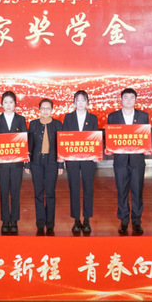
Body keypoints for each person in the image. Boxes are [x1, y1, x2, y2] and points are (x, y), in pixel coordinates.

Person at [107, 88, 149, 236]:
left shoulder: (143, 116)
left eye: (132, 97)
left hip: (137, 161)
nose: (129, 100)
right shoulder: (113, 117)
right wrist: (109, 148)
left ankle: (137, 221)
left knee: (137, 192)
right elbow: (110, 137)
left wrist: (147, 147)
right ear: (121, 100)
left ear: (136, 100)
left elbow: (146, 137)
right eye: (126, 97)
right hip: (120, 161)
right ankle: (124, 221)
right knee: (122, 191)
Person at [61, 90, 99, 235]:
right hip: (72, 159)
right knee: (74, 188)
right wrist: (63, 156)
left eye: (83, 100)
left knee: (88, 188)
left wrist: (96, 154)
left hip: (89, 159)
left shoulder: (93, 118)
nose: (81, 103)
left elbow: (95, 138)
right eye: (78, 100)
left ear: (87, 102)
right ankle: (76, 220)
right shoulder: (68, 117)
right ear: (74, 102)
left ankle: (87, 220)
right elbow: (65, 137)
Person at [0, 91, 27, 235]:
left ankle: (14, 220)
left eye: (11, 102)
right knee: (4, 191)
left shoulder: (20, 119)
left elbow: (24, 140)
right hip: (2, 164)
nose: (8, 105)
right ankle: (5, 220)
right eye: (5, 102)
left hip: (17, 163)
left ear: (15, 104)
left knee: (16, 191)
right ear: (2, 104)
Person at [25, 98, 64, 235]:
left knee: (50, 193)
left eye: (48, 108)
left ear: (52, 110)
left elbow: (60, 146)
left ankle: (50, 224)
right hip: (36, 162)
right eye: (43, 108)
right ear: (39, 110)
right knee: (38, 193)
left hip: (52, 162)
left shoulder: (58, 124)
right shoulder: (33, 124)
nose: (45, 110)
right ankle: (40, 223)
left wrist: (61, 164)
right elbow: (29, 145)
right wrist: (27, 163)